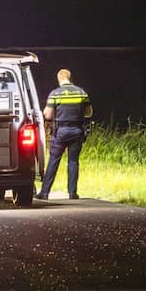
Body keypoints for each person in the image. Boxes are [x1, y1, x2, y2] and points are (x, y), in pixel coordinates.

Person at [37, 68, 92, 200]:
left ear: (59, 79)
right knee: (73, 162)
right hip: (77, 130)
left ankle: (44, 193)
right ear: (70, 78)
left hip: (60, 131)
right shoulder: (81, 93)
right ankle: (72, 193)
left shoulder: (55, 94)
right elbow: (89, 112)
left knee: (53, 161)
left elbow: (48, 115)